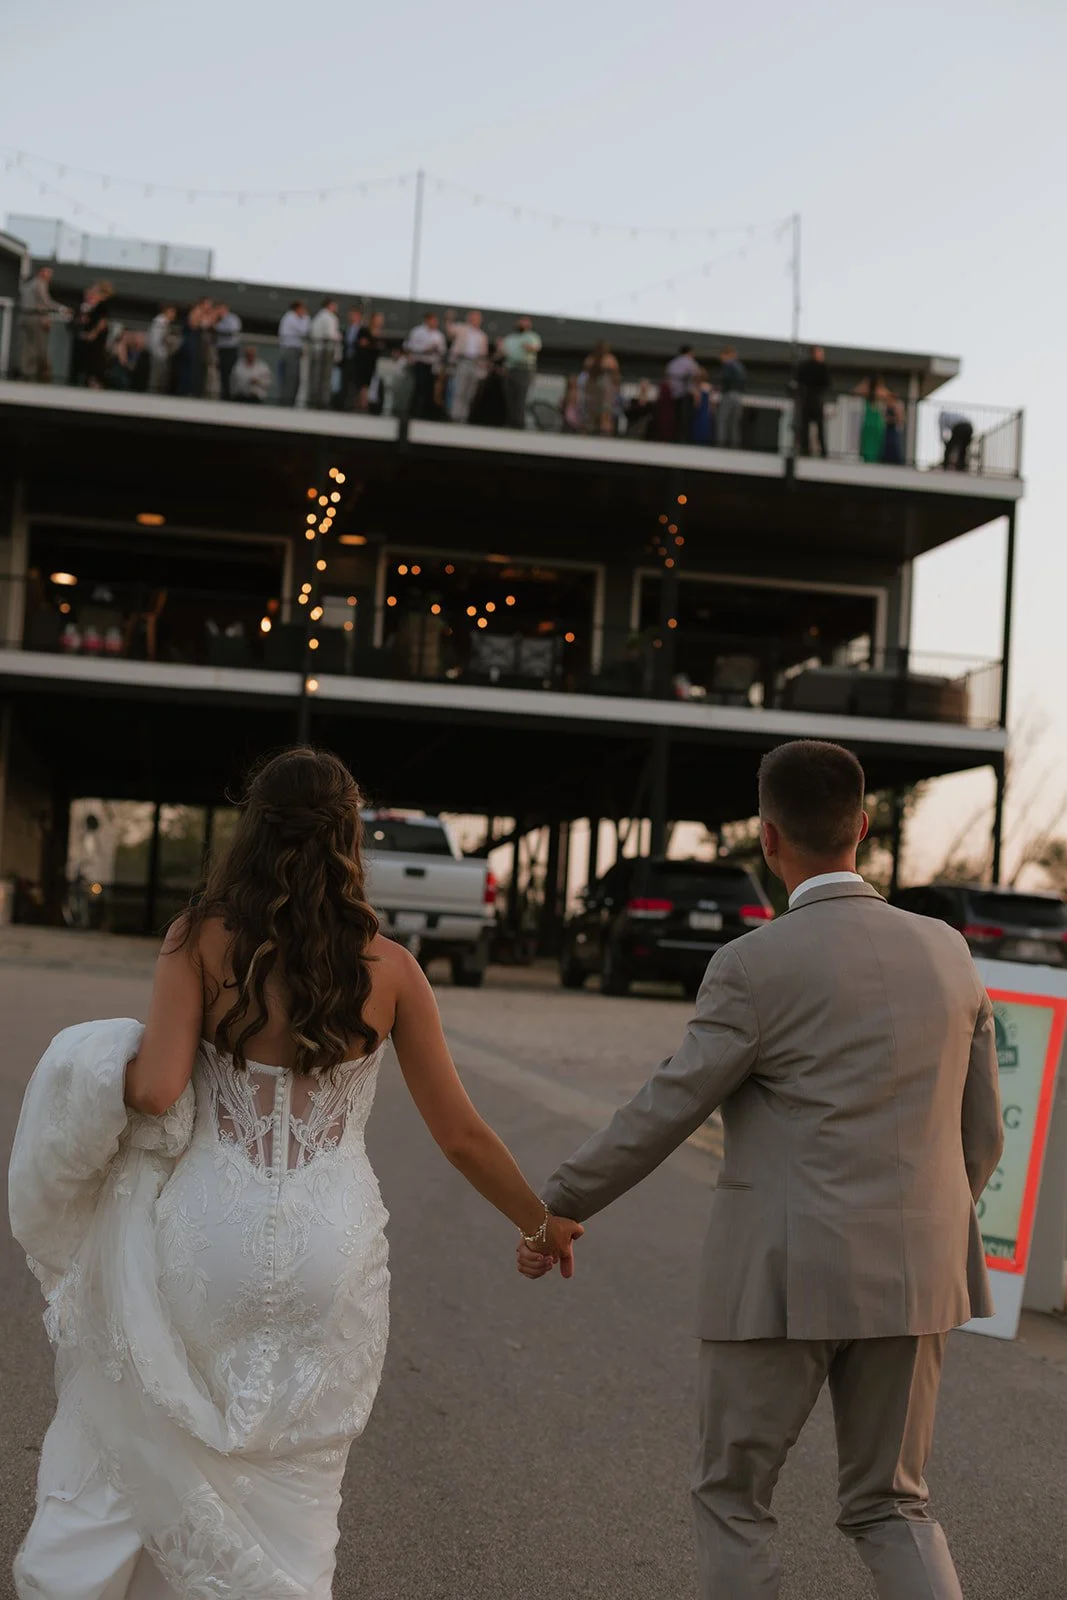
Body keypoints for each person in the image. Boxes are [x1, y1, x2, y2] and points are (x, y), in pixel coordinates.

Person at [12, 746, 582, 1598]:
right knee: (296, 1478)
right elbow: (459, 1133)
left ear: (254, 831)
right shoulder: (391, 971)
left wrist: (97, 1060)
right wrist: (540, 1223)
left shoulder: (199, 941)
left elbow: (158, 1086)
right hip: (331, 1243)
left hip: (207, 1231)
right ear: (349, 840)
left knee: (171, 1433)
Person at [520, 737, 1003, 1600]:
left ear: (766, 837)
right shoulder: (949, 953)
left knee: (732, 1498)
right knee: (893, 1504)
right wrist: (924, 1222)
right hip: (920, 1273)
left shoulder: (751, 965)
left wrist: (557, 1202)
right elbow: (981, 1138)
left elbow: (668, 1106)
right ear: (861, 826)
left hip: (785, 1278)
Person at [18, 265, 67, 383]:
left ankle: (27, 373)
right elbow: (46, 301)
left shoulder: (29, 283)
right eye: (48, 272)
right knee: (38, 347)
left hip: (26, 317)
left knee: (29, 346)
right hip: (35, 318)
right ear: (41, 272)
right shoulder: (40, 283)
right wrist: (62, 308)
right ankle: (33, 375)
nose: (50, 276)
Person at [500, 315, 542, 429]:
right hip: (510, 369)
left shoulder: (532, 336)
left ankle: (519, 424)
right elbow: (504, 352)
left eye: (525, 323)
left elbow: (536, 347)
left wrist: (529, 347)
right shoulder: (510, 338)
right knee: (509, 397)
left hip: (524, 370)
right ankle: (510, 421)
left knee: (521, 397)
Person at [448, 309, 489, 423]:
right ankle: (455, 415)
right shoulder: (461, 329)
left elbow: (484, 353)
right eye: (473, 317)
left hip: (476, 364)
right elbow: (450, 330)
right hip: (463, 361)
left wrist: (483, 367)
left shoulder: (482, 335)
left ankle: (464, 417)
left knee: (470, 392)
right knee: (459, 389)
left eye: (477, 318)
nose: (475, 320)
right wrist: (449, 319)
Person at [404, 310, 446, 419]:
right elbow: (410, 346)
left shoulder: (439, 335)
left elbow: (443, 350)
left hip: (432, 366)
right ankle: (414, 412)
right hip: (420, 363)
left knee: (430, 389)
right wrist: (426, 348)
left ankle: (427, 414)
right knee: (419, 387)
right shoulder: (417, 331)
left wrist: (436, 350)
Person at [794, 344, 832, 457]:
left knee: (809, 427)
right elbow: (827, 384)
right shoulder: (821, 367)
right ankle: (821, 451)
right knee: (816, 427)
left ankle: (807, 450)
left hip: (808, 400)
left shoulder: (805, 366)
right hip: (814, 401)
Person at [307, 298, 342, 410]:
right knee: (325, 378)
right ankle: (322, 401)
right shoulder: (329, 317)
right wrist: (339, 337)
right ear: (330, 305)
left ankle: (314, 399)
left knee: (316, 376)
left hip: (317, 349)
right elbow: (331, 334)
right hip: (326, 350)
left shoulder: (317, 316)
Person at [665, 344, 703, 442]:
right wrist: (697, 394)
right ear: (689, 352)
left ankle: (675, 437)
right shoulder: (691, 363)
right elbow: (697, 377)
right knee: (686, 418)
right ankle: (684, 439)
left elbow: (668, 379)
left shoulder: (672, 363)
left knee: (676, 417)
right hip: (686, 394)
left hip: (674, 394)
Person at [581, 341, 621, 435]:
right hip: (594, 394)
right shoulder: (592, 359)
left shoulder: (611, 360)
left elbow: (616, 376)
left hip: (606, 394)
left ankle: (605, 435)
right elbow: (586, 371)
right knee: (591, 416)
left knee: (605, 415)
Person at [351, 310, 386, 413]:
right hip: (363, 362)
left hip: (372, 363)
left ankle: (364, 403)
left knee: (368, 384)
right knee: (362, 384)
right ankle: (361, 404)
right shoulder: (365, 331)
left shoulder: (379, 333)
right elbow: (362, 344)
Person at [277, 300, 310, 406]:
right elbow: (304, 330)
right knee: (291, 378)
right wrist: (306, 318)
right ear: (297, 309)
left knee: (293, 378)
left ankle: (288, 401)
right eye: (302, 309)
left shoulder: (290, 317)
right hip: (291, 350)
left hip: (292, 350)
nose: (304, 311)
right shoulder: (291, 317)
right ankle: (287, 403)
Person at [855, 373, 893, 463]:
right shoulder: (878, 392)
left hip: (873, 423)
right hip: (871, 423)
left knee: (874, 447)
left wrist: (865, 383)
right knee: (868, 446)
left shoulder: (873, 392)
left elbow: (856, 391)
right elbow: (855, 392)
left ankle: (872, 461)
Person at [716, 347, 747, 448]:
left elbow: (725, 379)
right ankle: (735, 444)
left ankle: (721, 442)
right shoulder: (740, 366)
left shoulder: (728, 365)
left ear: (728, 355)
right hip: (739, 395)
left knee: (723, 419)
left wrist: (720, 388)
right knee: (735, 421)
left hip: (729, 394)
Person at [146, 304, 178, 394]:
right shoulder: (159, 323)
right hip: (158, 357)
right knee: (156, 382)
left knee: (162, 383)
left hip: (163, 357)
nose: (174, 315)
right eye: (173, 312)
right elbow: (155, 341)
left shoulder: (165, 324)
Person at [213, 302, 242, 399]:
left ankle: (230, 395)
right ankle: (224, 393)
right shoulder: (218, 320)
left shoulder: (232, 318)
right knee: (223, 373)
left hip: (230, 349)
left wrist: (217, 327)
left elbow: (232, 330)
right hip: (221, 349)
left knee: (230, 373)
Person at [341, 306, 364, 409]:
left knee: (354, 382)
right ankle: (344, 403)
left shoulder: (362, 330)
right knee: (345, 381)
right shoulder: (347, 329)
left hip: (357, 360)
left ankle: (353, 403)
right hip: (347, 359)